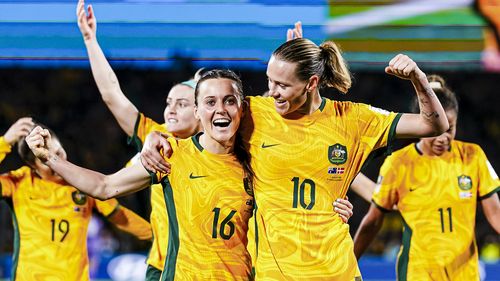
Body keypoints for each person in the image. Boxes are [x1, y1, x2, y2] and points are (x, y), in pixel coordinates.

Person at [76, 4, 355, 279]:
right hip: (169, 269)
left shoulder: (246, 152)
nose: (172, 110)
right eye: (168, 102)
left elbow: (292, 150)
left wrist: (333, 203)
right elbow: (112, 96)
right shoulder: (161, 145)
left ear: (199, 111)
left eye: (182, 103)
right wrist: (90, 41)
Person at [141, 34, 449, 279]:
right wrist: (153, 138)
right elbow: (206, 118)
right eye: (270, 81)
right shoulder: (255, 112)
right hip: (276, 274)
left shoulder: (354, 120)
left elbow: (434, 124)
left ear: (312, 83)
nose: (271, 91)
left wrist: (418, 79)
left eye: (282, 85)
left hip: (336, 272)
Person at [27, 69, 264, 280]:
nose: (220, 109)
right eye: (210, 102)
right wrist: (50, 158)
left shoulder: (259, 162)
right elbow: (104, 186)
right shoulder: (173, 155)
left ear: (241, 108)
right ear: (197, 111)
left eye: (229, 101)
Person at [353, 75, 500, 280]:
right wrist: (350, 262)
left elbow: (496, 215)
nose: (443, 137)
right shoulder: (399, 163)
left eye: (450, 129)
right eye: (437, 130)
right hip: (418, 271)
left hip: (465, 273)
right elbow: (373, 221)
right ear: (423, 124)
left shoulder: (472, 156)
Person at [0, 117, 152, 281]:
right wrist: (5, 142)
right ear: (33, 167)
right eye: (45, 161)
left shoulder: (83, 182)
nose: (55, 161)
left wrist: (158, 237)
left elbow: (122, 218)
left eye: (58, 152)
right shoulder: (18, 182)